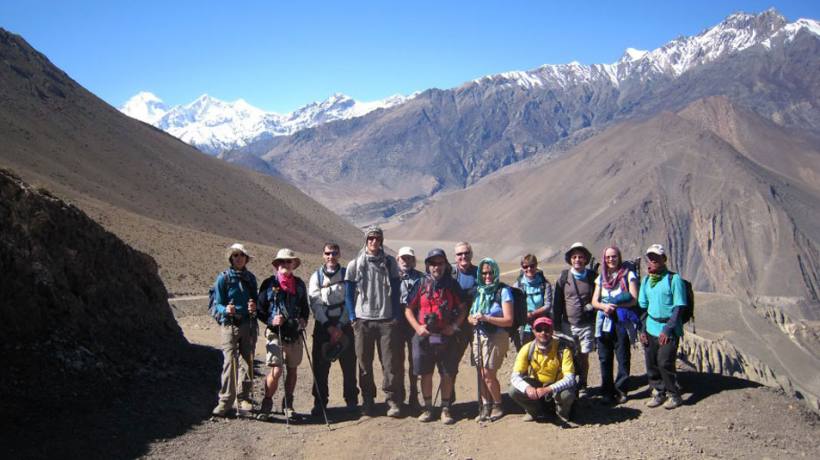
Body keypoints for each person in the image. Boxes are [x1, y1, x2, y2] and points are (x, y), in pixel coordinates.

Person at [345, 226, 404, 417]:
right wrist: (353, 317)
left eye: (377, 238)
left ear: (381, 241)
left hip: (386, 320)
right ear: (366, 240)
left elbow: (395, 290)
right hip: (363, 320)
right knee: (364, 363)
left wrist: (395, 314)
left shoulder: (389, 263)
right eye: (370, 238)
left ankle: (392, 400)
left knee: (389, 363)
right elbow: (348, 294)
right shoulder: (355, 264)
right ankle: (368, 400)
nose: (374, 242)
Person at [405, 249, 466, 424]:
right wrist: (417, 327)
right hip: (424, 336)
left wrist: (454, 326)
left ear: (446, 264)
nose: (436, 267)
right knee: (425, 373)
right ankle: (428, 408)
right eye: (432, 263)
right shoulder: (420, 283)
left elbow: (463, 308)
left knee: (447, 373)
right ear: (427, 266)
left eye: (440, 263)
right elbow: (408, 308)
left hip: (446, 335)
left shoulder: (452, 285)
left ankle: (446, 408)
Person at [257, 248, 310, 418]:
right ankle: (267, 403)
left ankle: (288, 404)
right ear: (277, 265)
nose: (285, 264)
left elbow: (305, 308)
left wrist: (303, 320)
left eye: (289, 261)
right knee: (276, 369)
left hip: (294, 333)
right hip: (275, 332)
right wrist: (271, 320)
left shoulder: (300, 284)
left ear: (294, 264)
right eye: (282, 262)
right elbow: (260, 309)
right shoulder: (268, 284)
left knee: (292, 370)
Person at [308, 243, 358, 416]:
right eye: (328, 253)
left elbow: (351, 298)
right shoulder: (316, 277)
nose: (331, 257)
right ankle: (320, 402)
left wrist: (340, 325)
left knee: (349, 364)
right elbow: (315, 302)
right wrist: (328, 326)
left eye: (334, 253)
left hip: (344, 324)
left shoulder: (346, 275)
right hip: (323, 326)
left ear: (339, 254)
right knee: (320, 367)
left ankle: (352, 400)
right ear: (323, 255)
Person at [211, 243, 259, 417]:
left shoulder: (251, 278)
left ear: (246, 259)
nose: (239, 258)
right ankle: (225, 402)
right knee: (229, 361)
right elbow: (218, 303)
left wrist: (254, 306)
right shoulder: (223, 278)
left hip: (248, 324)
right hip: (229, 324)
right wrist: (226, 310)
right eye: (235, 255)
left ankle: (244, 397)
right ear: (231, 258)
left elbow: (257, 299)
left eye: (241, 255)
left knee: (248, 361)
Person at [639, 244, 687, 410]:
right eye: (650, 258)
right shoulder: (646, 281)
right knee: (651, 362)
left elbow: (679, 307)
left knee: (664, 362)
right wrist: (642, 330)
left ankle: (674, 394)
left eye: (656, 258)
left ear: (664, 260)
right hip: (651, 326)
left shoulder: (674, 280)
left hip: (668, 328)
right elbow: (643, 308)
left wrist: (667, 329)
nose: (652, 261)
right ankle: (658, 392)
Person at [591, 246, 640, 405]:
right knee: (604, 357)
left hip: (621, 320)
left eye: (613, 257)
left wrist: (617, 304)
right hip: (604, 319)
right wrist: (604, 307)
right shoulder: (601, 278)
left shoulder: (628, 275)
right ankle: (607, 390)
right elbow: (594, 301)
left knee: (623, 357)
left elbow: (634, 299)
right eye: (607, 257)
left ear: (619, 257)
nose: (610, 260)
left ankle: (621, 390)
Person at [468, 257, 513, 422]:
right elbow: (470, 315)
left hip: (496, 336)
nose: (487, 276)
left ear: (496, 272)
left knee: (488, 372)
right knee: (480, 371)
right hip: (479, 335)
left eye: (491, 272)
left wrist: (487, 318)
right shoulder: (479, 291)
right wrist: (472, 319)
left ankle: (498, 404)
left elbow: (509, 320)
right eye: (484, 273)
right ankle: (485, 405)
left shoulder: (503, 291)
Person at [509, 317, 576, 423]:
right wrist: (527, 388)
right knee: (513, 391)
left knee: (567, 394)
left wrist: (548, 389)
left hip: (556, 385)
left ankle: (562, 413)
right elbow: (515, 376)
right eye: (539, 329)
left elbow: (570, 379)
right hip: (537, 384)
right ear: (533, 331)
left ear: (552, 331)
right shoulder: (527, 348)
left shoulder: (563, 349)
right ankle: (533, 411)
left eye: (547, 329)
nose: (543, 332)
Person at [552, 242, 597, 397]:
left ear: (585, 259)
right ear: (570, 259)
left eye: (581, 257)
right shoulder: (564, 277)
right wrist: (556, 326)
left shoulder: (592, 277)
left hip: (587, 325)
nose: (578, 259)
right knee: (568, 355)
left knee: (584, 356)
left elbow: (598, 298)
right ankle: (569, 384)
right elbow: (557, 303)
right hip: (567, 325)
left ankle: (583, 383)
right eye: (575, 257)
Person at [449, 241, 479, 403]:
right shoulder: (450, 275)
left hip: (476, 326)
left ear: (471, 254)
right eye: (459, 254)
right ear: (455, 257)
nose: (463, 257)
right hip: (457, 326)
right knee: (452, 361)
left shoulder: (480, 273)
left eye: (466, 253)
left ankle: (485, 400)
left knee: (482, 364)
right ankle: (449, 398)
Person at [397, 246, 424, 411]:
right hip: (397, 323)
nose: (406, 261)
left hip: (415, 322)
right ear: (397, 260)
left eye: (409, 258)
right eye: (403, 258)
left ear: (413, 261)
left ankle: (414, 396)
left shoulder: (422, 278)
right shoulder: (392, 277)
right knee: (396, 361)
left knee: (415, 361)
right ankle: (399, 397)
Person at [513, 254, 553, 351]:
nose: (529, 269)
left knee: (542, 354)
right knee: (524, 354)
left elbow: (548, 305)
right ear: (522, 267)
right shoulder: (517, 285)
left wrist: (532, 314)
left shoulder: (544, 284)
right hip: (523, 327)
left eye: (532, 266)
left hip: (542, 327)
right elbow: (513, 306)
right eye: (525, 266)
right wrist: (523, 315)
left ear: (536, 266)